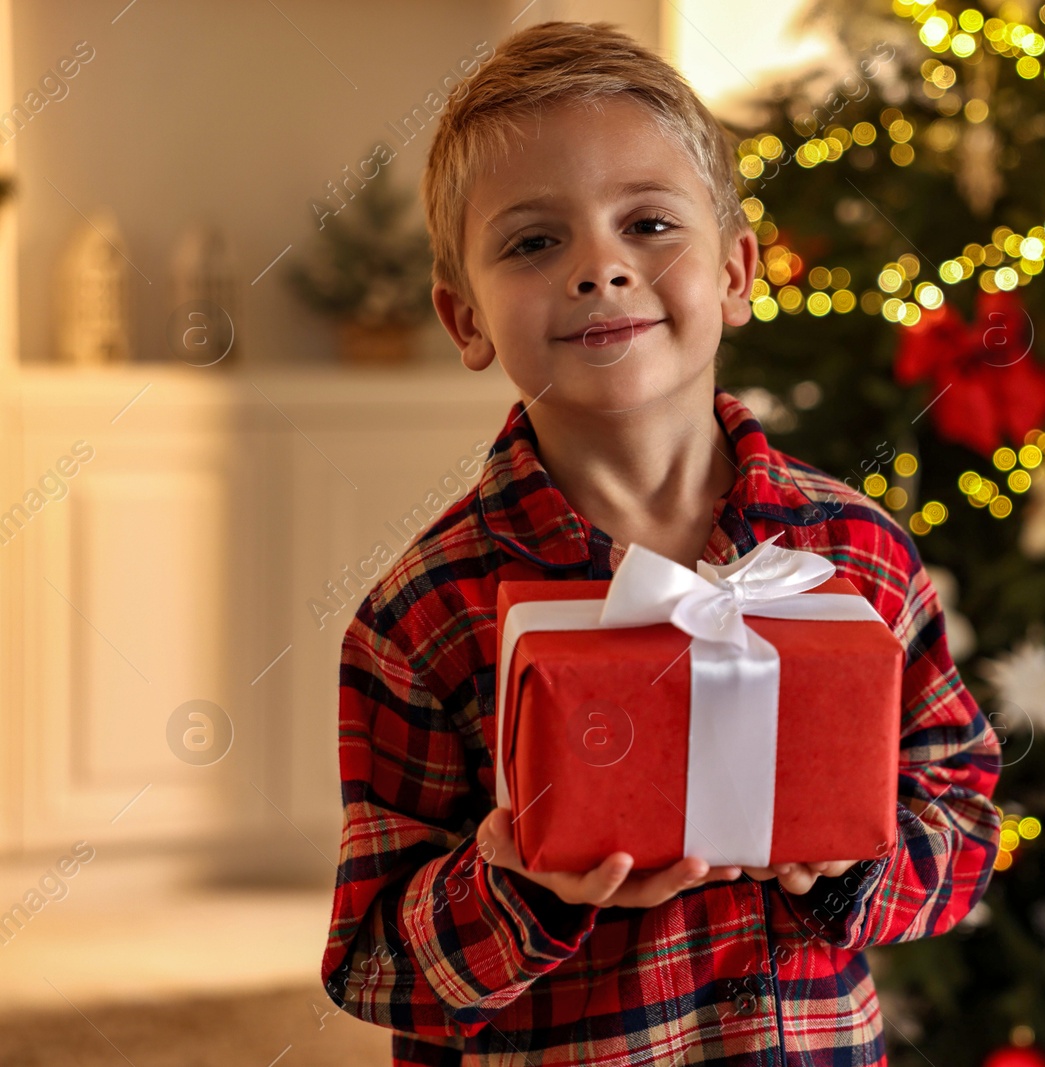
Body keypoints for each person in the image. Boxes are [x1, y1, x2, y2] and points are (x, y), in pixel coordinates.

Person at [319, 20, 1002, 1066]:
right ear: (465, 319)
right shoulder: (422, 614)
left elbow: (959, 816)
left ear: (735, 272)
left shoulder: (859, 558)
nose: (601, 267)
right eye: (535, 241)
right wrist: (516, 883)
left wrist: (855, 863)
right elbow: (378, 967)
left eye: (646, 222)